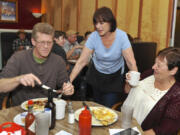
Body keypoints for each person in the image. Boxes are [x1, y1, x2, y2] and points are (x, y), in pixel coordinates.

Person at [70, 7, 138, 107]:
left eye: (101, 23)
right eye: (96, 23)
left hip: (114, 77)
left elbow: (131, 62)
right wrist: (69, 81)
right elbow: (82, 61)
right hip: (97, 75)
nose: (98, 26)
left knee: (108, 107)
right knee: (97, 105)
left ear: (110, 22)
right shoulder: (94, 36)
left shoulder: (122, 36)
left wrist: (133, 83)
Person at [0, 22, 74, 106]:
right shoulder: (18, 58)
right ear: (33, 41)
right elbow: (1, 86)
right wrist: (18, 79)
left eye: (49, 42)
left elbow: (63, 87)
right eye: (42, 42)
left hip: (48, 109)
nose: (46, 46)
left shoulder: (58, 61)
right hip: (21, 112)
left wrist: (68, 90)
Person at [123, 47, 180, 135]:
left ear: (173, 70)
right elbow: (127, 91)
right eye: (155, 63)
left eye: (159, 65)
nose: (153, 67)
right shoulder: (150, 73)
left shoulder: (176, 96)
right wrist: (129, 83)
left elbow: (163, 131)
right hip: (122, 122)